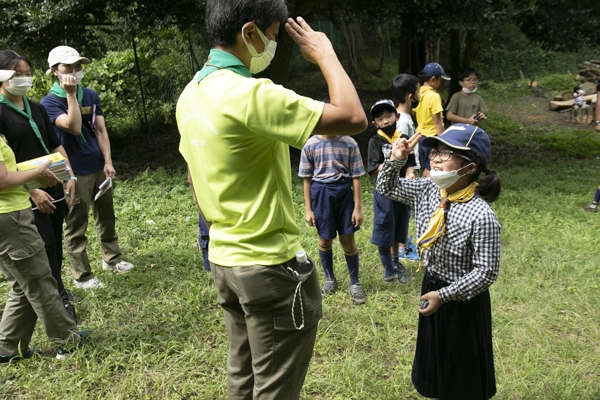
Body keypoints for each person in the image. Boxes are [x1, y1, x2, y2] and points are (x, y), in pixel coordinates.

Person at [176, 1, 367, 398]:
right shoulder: (250, 94)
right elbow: (352, 117)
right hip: (268, 267)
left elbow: (194, 171)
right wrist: (325, 53)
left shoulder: (191, 93)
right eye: (275, 36)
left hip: (226, 261)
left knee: (243, 377)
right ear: (250, 33)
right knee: (275, 388)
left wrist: (218, 227)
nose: (276, 44)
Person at [376, 123, 501, 399]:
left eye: (446, 153)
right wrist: (396, 159)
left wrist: (444, 296)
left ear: (470, 167)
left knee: (461, 364)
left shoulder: (481, 216)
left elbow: (486, 273)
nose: (435, 158)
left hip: (463, 299)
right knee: (435, 354)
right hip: (431, 284)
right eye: (435, 152)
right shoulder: (427, 190)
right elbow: (387, 188)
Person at [0, 68, 83, 366]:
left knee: (24, 283)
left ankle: (7, 348)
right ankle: (67, 341)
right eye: (15, 73)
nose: (24, 77)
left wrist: (62, 174)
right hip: (11, 214)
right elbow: (2, 178)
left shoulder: (32, 107)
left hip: (13, 209)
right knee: (40, 279)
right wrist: (37, 177)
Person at [40, 46, 134, 290]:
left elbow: (100, 130)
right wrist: (71, 94)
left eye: (78, 65)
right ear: (54, 71)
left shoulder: (90, 95)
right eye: (68, 67)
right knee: (76, 225)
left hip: (98, 167)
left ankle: (112, 260)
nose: (75, 71)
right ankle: (82, 276)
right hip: (73, 172)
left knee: (106, 216)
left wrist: (108, 161)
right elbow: (72, 126)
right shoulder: (48, 103)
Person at [298, 107, 366, 304]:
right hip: (321, 195)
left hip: (344, 194)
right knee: (324, 239)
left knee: (348, 239)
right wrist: (309, 209)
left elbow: (356, 177)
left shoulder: (349, 143)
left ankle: (355, 282)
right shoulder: (310, 145)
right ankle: (330, 279)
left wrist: (358, 207)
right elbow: (307, 180)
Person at [368, 99, 415, 284]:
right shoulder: (375, 141)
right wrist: (393, 158)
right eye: (380, 118)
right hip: (384, 193)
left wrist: (410, 173)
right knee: (384, 228)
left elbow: (411, 161)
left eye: (389, 116)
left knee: (399, 228)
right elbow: (372, 169)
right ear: (375, 124)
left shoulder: (402, 136)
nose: (386, 121)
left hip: (402, 191)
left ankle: (396, 262)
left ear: (397, 116)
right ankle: (388, 268)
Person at [415, 62, 450, 178]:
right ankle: (429, 193)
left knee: (427, 167)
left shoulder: (418, 93)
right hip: (432, 138)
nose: (440, 83)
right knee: (432, 170)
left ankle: (423, 192)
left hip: (420, 138)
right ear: (433, 79)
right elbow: (437, 122)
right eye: (440, 80)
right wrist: (443, 142)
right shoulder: (434, 96)